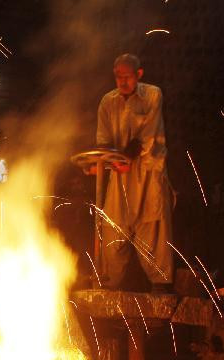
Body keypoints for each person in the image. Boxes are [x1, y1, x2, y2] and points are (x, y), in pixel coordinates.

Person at [95, 53, 175, 292]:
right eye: (118, 77)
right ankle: (109, 288)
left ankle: (160, 289)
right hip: (120, 174)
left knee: (152, 230)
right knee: (113, 229)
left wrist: (127, 157)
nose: (122, 82)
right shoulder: (107, 102)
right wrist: (103, 161)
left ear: (138, 75)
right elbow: (103, 139)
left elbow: (148, 135)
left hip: (148, 173)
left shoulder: (152, 94)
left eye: (127, 77)